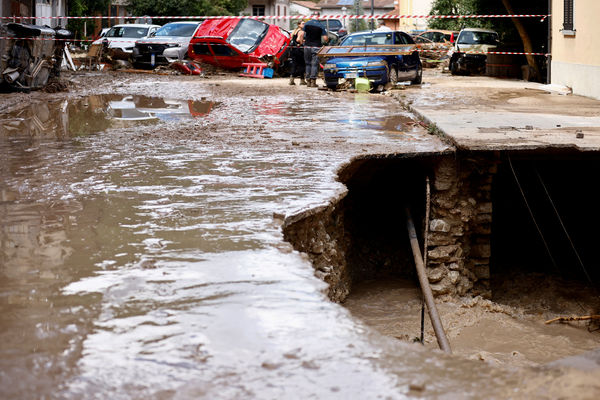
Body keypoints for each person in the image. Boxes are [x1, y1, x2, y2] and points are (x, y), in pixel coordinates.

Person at [302, 16, 328, 88]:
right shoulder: (321, 26)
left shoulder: (306, 24)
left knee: (307, 64)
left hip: (307, 46)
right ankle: (313, 82)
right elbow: (325, 38)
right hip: (316, 47)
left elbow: (302, 34)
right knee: (314, 64)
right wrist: (327, 40)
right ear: (318, 18)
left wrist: (302, 42)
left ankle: (308, 81)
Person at [289, 21, 306, 85]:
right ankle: (302, 80)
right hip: (299, 50)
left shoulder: (294, 31)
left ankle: (291, 80)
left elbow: (293, 39)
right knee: (301, 65)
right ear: (299, 25)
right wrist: (302, 42)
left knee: (294, 64)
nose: (304, 25)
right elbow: (298, 40)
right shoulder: (301, 31)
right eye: (303, 24)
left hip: (293, 50)